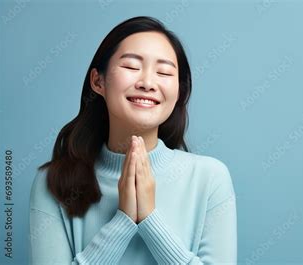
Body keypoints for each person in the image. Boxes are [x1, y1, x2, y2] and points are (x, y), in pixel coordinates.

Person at [28, 16, 237, 265]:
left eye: (164, 72)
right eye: (131, 67)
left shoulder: (210, 178)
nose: (148, 83)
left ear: (178, 91)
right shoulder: (52, 182)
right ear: (98, 81)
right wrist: (123, 221)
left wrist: (149, 219)